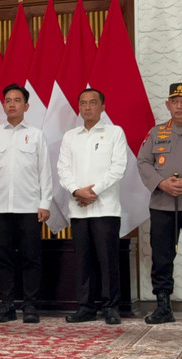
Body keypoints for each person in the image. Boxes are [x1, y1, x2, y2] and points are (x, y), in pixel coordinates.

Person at [0, 83, 52, 324]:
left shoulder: (37, 135)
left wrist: (45, 203)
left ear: (26, 105)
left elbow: (45, 173)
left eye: (17, 100)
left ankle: (30, 306)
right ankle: (7, 305)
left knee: (31, 258)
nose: (11, 104)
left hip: (29, 208)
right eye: (8, 100)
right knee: (3, 258)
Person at [137, 82, 182, 326]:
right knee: (162, 257)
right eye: (175, 102)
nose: (179, 106)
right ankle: (163, 307)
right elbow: (143, 162)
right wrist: (161, 183)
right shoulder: (156, 133)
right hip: (162, 205)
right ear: (168, 105)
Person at [57, 89, 127, 325]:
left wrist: (93, 191)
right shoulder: (70, 136)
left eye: (93, 103)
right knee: (83, 260)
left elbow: (118, 168)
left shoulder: (115, 132)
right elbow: (63, 170)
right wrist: (78, 191)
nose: (87, 107)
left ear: (103, 106)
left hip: (105, 208)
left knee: (107, 260)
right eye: (83, 103)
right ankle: (85, 307)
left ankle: (110, 307)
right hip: (78, 208)